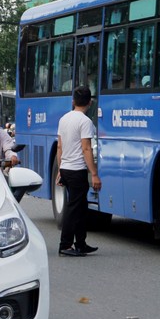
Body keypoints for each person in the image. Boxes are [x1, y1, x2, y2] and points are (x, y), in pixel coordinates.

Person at [56, 85, 101, 257]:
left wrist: (60, 169)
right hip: (77, 170)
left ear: (73, 101)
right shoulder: (85, 122)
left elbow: (60, 145)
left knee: (81, 207)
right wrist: (95, 174)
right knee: (74, 209)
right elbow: (86, 148)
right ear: (90, 102)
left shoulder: (64, 119)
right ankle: (65, 245)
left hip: (66, 168)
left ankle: (81, 243)